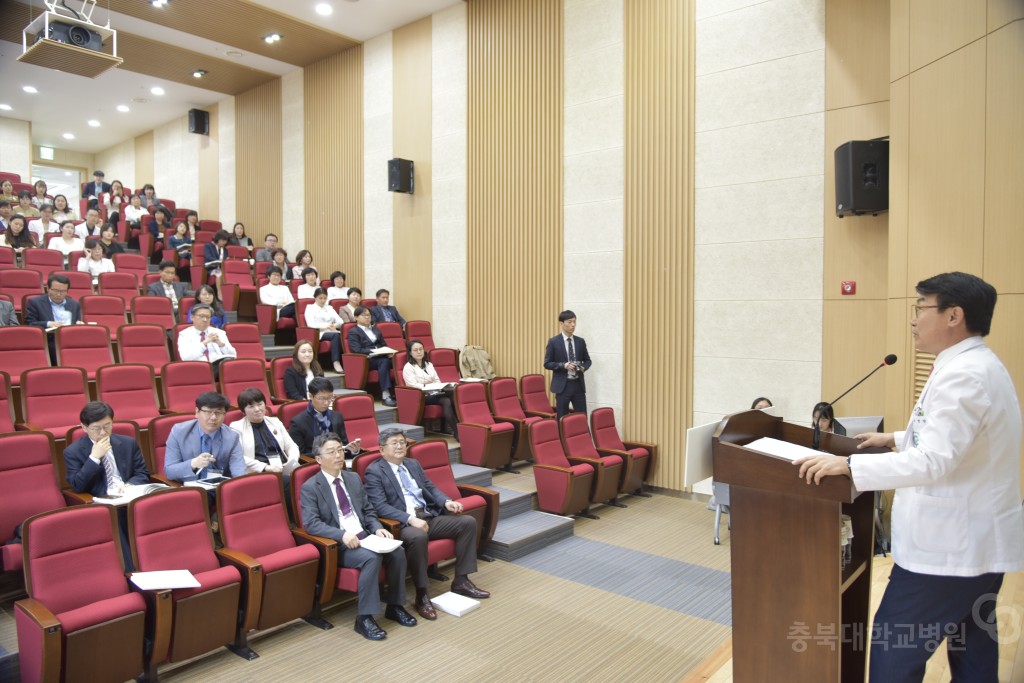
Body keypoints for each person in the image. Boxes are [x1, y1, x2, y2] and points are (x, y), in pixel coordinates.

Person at [795, 272, 1024, 682]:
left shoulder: (963, 375)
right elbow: (959, 437)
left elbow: (935, 459)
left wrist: (851, 467)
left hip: (949, 550)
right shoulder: (974, 364)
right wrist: (896, 437)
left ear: (954, 315)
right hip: (976, 543)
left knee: (892, 654)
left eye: (921, 308)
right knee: (972, 646)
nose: (914, 319)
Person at [365, 428, 489, 621]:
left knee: (467, 522)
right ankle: (422, 594)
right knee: (418, 535)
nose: (400, 446)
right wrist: (409, 519)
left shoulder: (412, 464)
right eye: (394, 443)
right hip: (403, 525)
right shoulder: (374, 471)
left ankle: (461, 581)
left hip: (428, 516)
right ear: (382, 450)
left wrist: (446, 501)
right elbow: (379, 506)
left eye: (402, 442)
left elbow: (430, 487)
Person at [300, 432, 416, 640]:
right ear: (318, 459)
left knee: (397, 552)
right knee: (371, 558)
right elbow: (311, 524)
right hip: (341, 545)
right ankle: (364, 618)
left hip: (366, 536)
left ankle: (395, 606)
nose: (338, 456)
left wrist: (377, 527)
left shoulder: (352, 478)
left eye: (340, 450)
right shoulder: (310, 487)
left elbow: (368, 510)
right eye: (331, 452)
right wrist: (341, 534)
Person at [64, 401, 150, 497]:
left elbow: (142, 473)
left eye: (107, 426)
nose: (103, 432)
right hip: (103, 500)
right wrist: (94, 458)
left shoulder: (128, 443)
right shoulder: (73, 452)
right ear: (84, 427)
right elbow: (78, 486)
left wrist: (131, 485)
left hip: (130, 494)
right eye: (96, 428)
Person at [164, 392, 246, 483]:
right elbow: (169, 471)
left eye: (219, 412)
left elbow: (239, 470)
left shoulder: (232, 436)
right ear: (197, 412)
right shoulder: (179, 432)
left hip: (218, 488)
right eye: (208, 412)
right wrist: (193, 464)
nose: (214, 417)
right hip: (189, 489)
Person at [228, 388, 300, 476]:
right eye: (251, 406)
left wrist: (291, 461)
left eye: (260, 404)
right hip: (259, 472)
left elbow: (291, 445)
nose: (257, 409)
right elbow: (238, 456)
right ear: (243, 410)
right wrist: (265, 467)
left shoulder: (275, 421)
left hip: (283, 467)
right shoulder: (236, 427)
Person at [288, 377, 362, 455]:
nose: (326, 403)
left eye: (330, 397)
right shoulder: (298, 422)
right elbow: (300, 455)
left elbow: (343, 445)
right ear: (310, 396)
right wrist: (325, 454)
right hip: (314, 463)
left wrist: (354, 450)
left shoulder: (336, 416)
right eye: (321, 398)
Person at [403, 339, 459, 439]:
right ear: (410, 353)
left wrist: (434, 386)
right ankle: (459, 428)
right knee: (452, 394)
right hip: (421, 397)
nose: (419, 352)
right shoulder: (408, 367)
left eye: (421, 349)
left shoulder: (429, 364)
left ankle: (457, 431)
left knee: (447, 398)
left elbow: (437, 380)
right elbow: (412, 385)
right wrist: (428, 386)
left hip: (435, 393)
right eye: (415, 350)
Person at [544, 310, 592, 418]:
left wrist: (582, 367)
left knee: (582, 417)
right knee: (562, 418)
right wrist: (563, 365)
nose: (573, 325)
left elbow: (588, 360)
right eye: (569, 322)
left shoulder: (580, 341)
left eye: (574, 322)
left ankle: (583, 435)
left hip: (578, 385)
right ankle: (561, 436)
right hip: (562, 386)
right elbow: (547, 363)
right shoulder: (553, 342)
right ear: (561, 323)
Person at [25, 274, 82, 362]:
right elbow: (29, 324)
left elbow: (77, 322)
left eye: (63, 291)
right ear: (48, 288)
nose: (59, 294)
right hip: (49, 340)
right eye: (55, 290)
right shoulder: (35, 302)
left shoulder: (74, 305)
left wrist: (79, 325)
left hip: (70, 340)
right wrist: (48, 324)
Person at [348, 306, 397, 406]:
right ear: (356, 317)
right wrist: (375, 351)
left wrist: (388, 352)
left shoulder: (376, 330)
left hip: (381, 356)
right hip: (367, 360)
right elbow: (357, 350)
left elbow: (384, 345)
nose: (367, 317)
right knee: (384, 362)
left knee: (400, 359)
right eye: (364, 315)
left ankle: (403, 392)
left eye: (368, 315)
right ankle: (385, 395)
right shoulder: (353, 332)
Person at [177, 304, 236, 379]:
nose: (205, 319)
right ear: (192, 317)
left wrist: (220, 344)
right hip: (197, 369)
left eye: (208, 317)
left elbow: (233, 355)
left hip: (219, 369)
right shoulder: (184, 334)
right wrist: (205, 342)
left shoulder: (219, 332)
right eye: (201, 316)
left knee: (228, 364)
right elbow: (186, 357)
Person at [304, 288, 345, 374]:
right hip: (319, 332)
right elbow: (310, 324)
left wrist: (335, 325)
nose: (323, 300)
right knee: (336, 336)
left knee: (345, 335)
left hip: (331, 330)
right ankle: (336, 362)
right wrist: (325, 327)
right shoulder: (310, 308)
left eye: (325, 298)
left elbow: (341, 321)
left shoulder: (329, 308)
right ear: (315, 298)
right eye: (320, 298)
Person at [203, 230, 230, 297]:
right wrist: (219, 261)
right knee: (219, 274)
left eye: (226, 240)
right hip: (211, 268)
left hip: (221, 269)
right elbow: (208, 257)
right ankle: (219, 294)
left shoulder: (225, 250)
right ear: (218, 239)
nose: (224, 242)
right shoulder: (208, 246)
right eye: (223, 240)